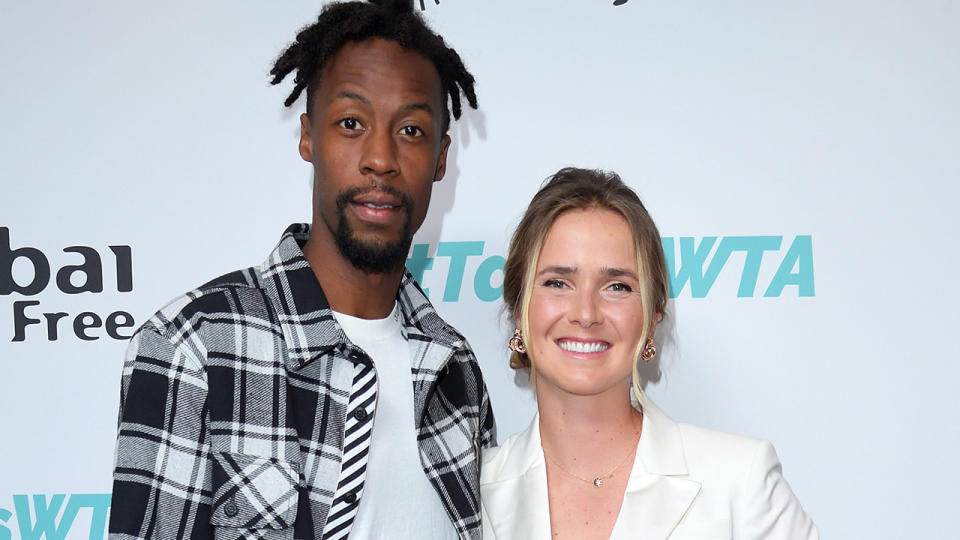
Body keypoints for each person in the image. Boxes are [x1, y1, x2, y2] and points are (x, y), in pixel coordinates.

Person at [109, 2, 496, 539]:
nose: (380, 158)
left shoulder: (455, 369)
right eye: (351, 123)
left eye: (410, 130)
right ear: (309, 137)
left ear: (440, 157)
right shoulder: (194, 345)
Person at [480, 168, 817, 539]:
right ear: (518, 309)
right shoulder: (470, 494)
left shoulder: (742, 482)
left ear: (652, 318)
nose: (586, 313)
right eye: (557, 283)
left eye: (617, 287)